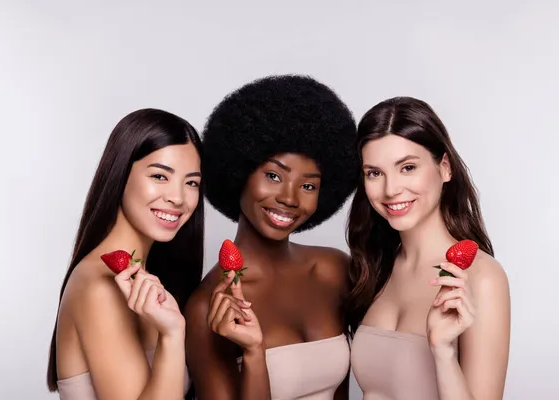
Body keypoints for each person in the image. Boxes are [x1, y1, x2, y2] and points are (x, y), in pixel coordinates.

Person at [185, 74, 360, 400]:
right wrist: (254, 354)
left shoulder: (334, 270)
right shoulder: (207, 307)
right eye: (273, 176)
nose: (291, 198)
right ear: (238, 172)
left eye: (308, 185)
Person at [347, 96, 511, 400]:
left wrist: (444, 352)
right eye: (374, 173)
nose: (391, 189)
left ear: (445, 168)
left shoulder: (481, 278)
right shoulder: (376, 267)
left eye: (407, 167)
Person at [46, 108, 205, 400]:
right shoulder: (100, 287)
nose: (178, 197)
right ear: (120, 174)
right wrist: (172, 336)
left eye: (191, 182)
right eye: (160, 176)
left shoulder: (144, 277)